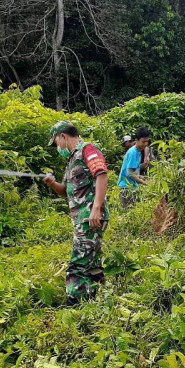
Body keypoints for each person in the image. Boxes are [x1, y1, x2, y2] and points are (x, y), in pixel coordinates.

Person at [43, 121, 110, 305]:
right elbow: (66, 190)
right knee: (92, 262)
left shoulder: (88, 150)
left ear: (63, 136)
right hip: (82, 218)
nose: (57, 147)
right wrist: (52, 183)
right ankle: (98, 301)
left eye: (56, 142)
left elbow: (102, 174)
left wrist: (96, 208)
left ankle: (74, 306)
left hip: (91, 217)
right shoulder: (72, 159)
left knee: (77, 264)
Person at [118, 126, 151, 209]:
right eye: (143, 142)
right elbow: (129, 173)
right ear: (136, 140)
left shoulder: (137, 152)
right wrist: (144, 183)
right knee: (129, 215)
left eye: (147, 142)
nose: (145, 144)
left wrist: (141, 176)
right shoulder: (133, 152)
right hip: (127, 188)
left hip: (130, 187)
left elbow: (133, 170)